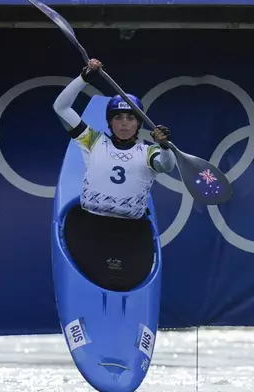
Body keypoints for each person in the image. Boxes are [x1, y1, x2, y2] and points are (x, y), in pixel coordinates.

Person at [52, 58, 176, 292]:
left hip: (131, 234)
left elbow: (165, 166)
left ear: (139, 123)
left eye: (131, 117)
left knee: (122, 286)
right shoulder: (93, 141)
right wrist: (84, 78)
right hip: (90, 228)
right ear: (109, 121)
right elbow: (61, 108)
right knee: (93, 283)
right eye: (118, 117)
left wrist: (166, 147)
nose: (124, 123)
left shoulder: (149, 151)